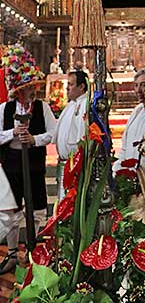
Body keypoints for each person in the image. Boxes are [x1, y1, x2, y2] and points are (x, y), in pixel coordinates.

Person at [0, 44, 57, 275]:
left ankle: (37, 254)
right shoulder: (4, 109)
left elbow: (54, 133)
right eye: (27, 88)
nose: (32, 91)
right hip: (11, 163)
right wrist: (11, 134)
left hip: (34, 164)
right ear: (17, 90)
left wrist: (35, 139)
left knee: (38, 209)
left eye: (33, 87)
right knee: (10, 211)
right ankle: (13, 254)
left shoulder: (42, 108)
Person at [54, 70, 88, 199]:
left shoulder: (85, 105)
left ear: (81, 86)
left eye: (71, 84)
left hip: (75, 165)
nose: (67, 87)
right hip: (65, 163)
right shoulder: (71, 104)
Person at [113, 69, 145, 174]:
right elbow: (125, 145)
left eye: (143, 85)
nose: (139, 90)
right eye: (136, 85)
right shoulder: (138, 110)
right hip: (129, 174)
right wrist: (119, 169)